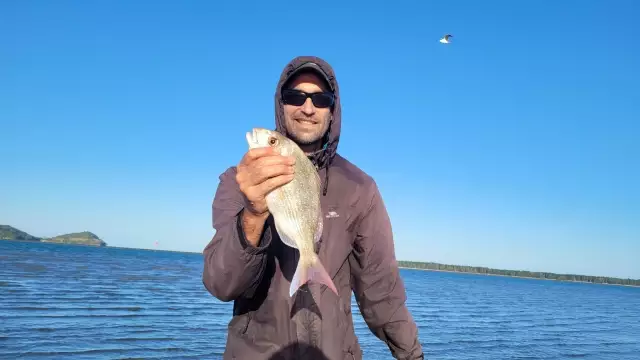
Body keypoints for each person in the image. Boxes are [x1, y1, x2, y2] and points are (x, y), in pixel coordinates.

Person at [202, 55, 424, 360]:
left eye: (320, 99)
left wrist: (412, 355)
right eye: (295, 96)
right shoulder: (240, 179)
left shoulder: (360, 188)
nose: (308, 108)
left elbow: (381, 292)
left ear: (333, 111)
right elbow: (221, 284)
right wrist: (253, 214)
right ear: (281, 105)